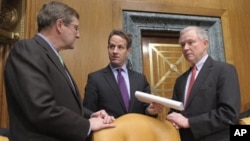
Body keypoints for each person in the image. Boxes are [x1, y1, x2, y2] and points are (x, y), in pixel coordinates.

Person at [4, 1, 115, 141]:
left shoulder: (51, 55)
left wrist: (90, 115)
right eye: (76, 28)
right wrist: (86, 124)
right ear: (60, 25)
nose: (78, 34)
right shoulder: (27, 50)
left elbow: (62, 105)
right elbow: (41, 109)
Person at [166, 26, 241, 141]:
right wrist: (171, 117)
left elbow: (229, 113)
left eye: (191, 42)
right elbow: (176, 111)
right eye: (182, 44)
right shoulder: (180, 80)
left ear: (205, 43)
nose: (185, 48)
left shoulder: (224, 70)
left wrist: (189, 122)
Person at [83, 29, 163, 118]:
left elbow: (146, 109)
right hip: (109, 130)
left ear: (128, 51)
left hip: (136, 130)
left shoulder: (140, 79)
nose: (115, 51)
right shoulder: (95, 79)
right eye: (112, 46)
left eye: (120, 47)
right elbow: (88, 113)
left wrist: (150, 110)